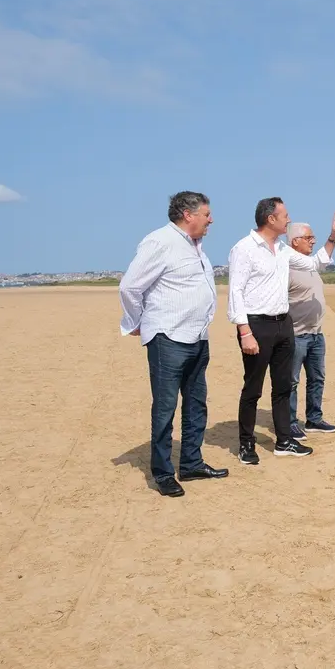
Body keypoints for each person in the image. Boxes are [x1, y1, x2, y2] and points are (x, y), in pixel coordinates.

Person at [118, 190, 229, 498]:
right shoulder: (160, 242)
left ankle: (191, 463)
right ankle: (164, 473)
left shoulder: (195, 245)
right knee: (165, 408)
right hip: (168, 338)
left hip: (197, 337)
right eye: (207, 214)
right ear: (187, 215)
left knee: (196, 404)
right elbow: (129, 287)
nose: (211, 220)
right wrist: (137, 322)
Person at [227, 197, 335, 465]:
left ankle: (284, 441)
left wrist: (333, 237)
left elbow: (315, 263)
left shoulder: (282, 250)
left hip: (284, 325)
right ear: (271, 219)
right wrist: (245, 331)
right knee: (253, 389)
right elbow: (236, 292)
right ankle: (246, 444)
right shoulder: (244, 249)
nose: (288, 220)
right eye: (285, 215)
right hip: (257, 325)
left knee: (282, 387)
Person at [286, 221, 335, 439]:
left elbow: (323, 258)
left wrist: (334, 237)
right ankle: (289, 423)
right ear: (295, 241)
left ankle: (314, 419)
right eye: (309, 238)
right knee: (290, 382)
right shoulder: (286, 267)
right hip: (295, 335)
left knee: (317, 378)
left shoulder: (310, 265)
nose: (313, 241)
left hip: (316, 334)